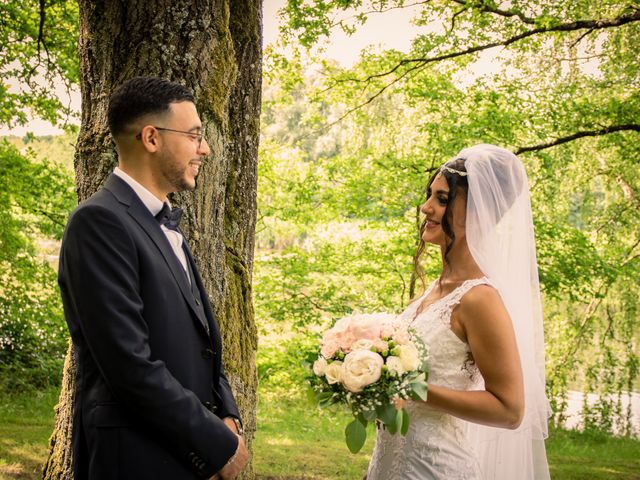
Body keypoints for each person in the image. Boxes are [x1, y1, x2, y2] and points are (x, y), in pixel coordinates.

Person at [58, 76, 249, 480]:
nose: (205, 149)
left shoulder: (165, 224)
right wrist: (214, 443)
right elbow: (129, 365)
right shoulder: (99, 222)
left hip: (183, 453)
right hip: (136, 458)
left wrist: (228, 416)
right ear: (151, 138)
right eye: (195, 135)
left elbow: (201, 343)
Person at [367, 144, 550, 479]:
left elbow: (510, 410)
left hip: (435, 468)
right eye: (429, 196)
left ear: (479, 212)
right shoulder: (433, 290)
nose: (426, 208)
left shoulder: (480, 299)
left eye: (442, 199)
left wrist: (414, 388)